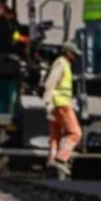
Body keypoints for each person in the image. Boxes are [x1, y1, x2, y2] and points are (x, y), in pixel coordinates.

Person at [42, 42, 82, 178]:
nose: (75, 57)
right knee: (75, 133)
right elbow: (50, 83)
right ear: (67, 52)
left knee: (55, 137)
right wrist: (48, 102)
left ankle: (51, 163)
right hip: (61, 105)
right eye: (74, 54)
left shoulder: (63, 64)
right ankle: (60, 159)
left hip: (57, 104)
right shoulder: (61, 63)